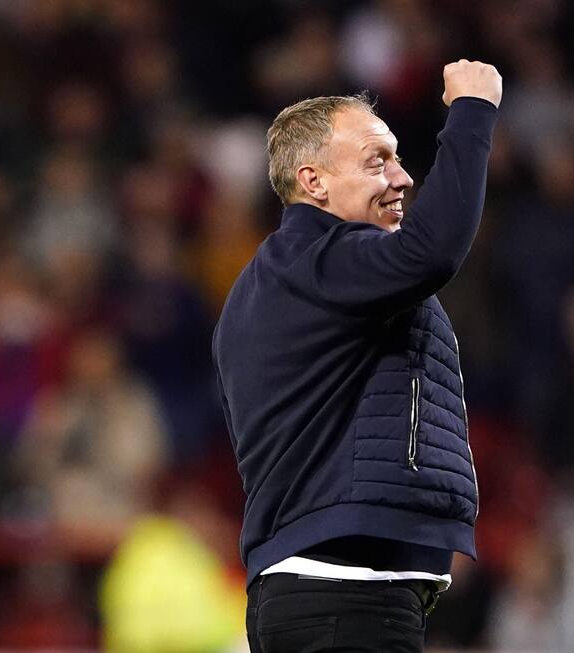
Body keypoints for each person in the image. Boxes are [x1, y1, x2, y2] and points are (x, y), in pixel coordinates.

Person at [212, 60, 501, 652]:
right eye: (376, 161)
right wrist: (472, 112)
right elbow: (432, 251)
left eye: (397, 159)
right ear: (313, 182)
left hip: (322, 590)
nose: (403, 178)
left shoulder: (285, 277)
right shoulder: (320, 260)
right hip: (345, 594)